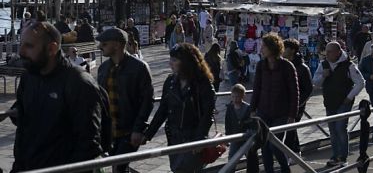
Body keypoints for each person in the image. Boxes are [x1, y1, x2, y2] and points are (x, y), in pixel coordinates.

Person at [7, 22, 109, 171]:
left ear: (52, 49)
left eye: (29, 46)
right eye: (21, 44)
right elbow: (24, 123)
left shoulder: (79, 83)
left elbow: (88, 144)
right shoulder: (29, 76)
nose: (21, 52)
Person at [144, 43, 216, 173]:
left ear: (186, 62)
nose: (170, 63)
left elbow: (208, 113)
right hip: (174, 137)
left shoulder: (202, 83)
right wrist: (148, 134)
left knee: (184, 169)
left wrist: (200, 138)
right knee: (176, 169)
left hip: (192, 138)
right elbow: (162, 110)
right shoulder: (170, 82)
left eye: (174, 60)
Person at [96, 27, 154, 173]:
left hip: (129, 130)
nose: (99, 47)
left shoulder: (139, 67)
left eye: (104, 44)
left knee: (119, 168)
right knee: (118, 167)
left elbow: (147, 100)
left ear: (116, 44)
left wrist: (138, 128)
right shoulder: (103, 69)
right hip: (109, 132)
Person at [250, 33, 299, 173]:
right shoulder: (261, 65)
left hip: (281, 113)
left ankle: (285, 169)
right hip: (263, 112)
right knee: (265, 146)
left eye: (264, 46)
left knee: (275, 145)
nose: (261, 49)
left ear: (272, 47)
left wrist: (292, 114)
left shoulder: (287, 66)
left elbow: (294, 92)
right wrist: (252, 109)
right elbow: (257, 89)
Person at [312, 41, 365, 167]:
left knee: (340, 128)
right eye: (326, 51)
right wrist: (323, 76)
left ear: (338, 52)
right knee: (332, 130)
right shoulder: (323, 64)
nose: (327, 54)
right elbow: (316, 82)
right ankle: (335, 156)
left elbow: (360, 82)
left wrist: (349, 97)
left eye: (330, 51)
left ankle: (342, 157)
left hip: (343, 102)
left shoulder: (349, 65)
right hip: (330, 102)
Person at [283, 38, 314, 156]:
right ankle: (296, 150)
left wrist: (299, 103)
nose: (282, 51)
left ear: (291, 50)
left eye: (284, 48)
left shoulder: (302, 67)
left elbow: (309, 89)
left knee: (291, 127)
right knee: (291, 128)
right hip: (285, 102)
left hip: (298, 104)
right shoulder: (285, 64)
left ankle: (288, 153)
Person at [225, 84, 258, 167]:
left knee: (252, 158)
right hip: (235, 137)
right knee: (232, 159)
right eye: (233, 97)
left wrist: (251, 133)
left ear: (243, 96)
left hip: (247, 137)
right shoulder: (230, 108)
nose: (235, 99)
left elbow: (253, 123)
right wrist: (227, 136)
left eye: (237, 97)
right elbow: (228, 123)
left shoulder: (249, 108)